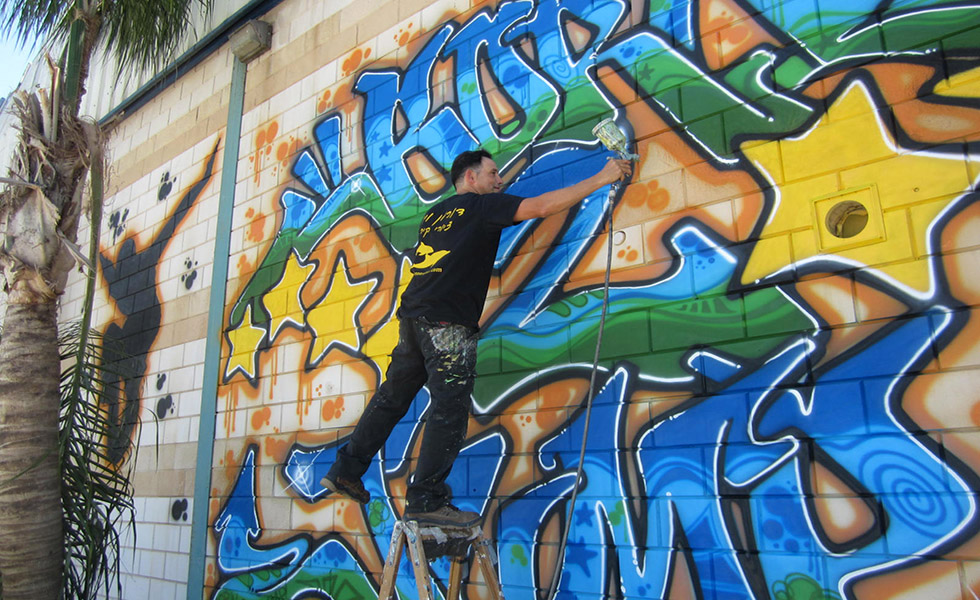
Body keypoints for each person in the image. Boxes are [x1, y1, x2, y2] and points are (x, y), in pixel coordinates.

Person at [322, 149, 631, 527]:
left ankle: (346, 469)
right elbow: (540, 207)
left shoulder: (435, 215)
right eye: (493, 174)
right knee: (449, 407)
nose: (500, 181)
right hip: (447, 324)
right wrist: (602, 178)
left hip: (414, 320)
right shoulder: (481, 207)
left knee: (392, 398)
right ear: (471, 177)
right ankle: (425, 499)